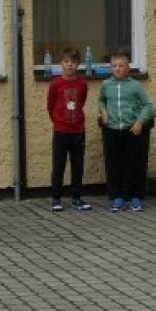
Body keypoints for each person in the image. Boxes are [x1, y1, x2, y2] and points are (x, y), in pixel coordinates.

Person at [98, 49, 156, 211]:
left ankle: (135, 197)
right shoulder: (106, 85)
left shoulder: (135, 85)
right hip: (112, 130)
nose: (117, 68)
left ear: (127, 68)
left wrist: (140, 121)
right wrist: (103, 111)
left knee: (134, 163)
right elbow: (101, 101)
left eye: (121, 65)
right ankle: (118, 197)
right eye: (114, 65)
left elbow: (148, 105)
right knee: (115, 164)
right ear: (110, 68)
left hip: (132, 131)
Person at [46, 48, 92, 212]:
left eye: (73, 62)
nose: (70, 65)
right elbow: (50, 105)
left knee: (77, 166)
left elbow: (82, 101)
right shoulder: (55, 83)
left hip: (78, 131)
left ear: (78, 64)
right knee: (58, 165)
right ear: (61, 64)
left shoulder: (82, 84)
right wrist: (58, 121)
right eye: (66, 62)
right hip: (61, 131)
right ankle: (56, 199)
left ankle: (76, 198)